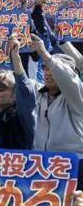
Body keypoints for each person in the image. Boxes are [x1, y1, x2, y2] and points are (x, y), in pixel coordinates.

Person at [29, 35, 83, 178]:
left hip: (72, 165)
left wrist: (46, 55)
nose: (47, 73)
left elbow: (68, 79)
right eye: (45, 68)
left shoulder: (76, 96)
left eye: (52, 69)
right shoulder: (38, 92)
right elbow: (16, 80)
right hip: (41, 164)